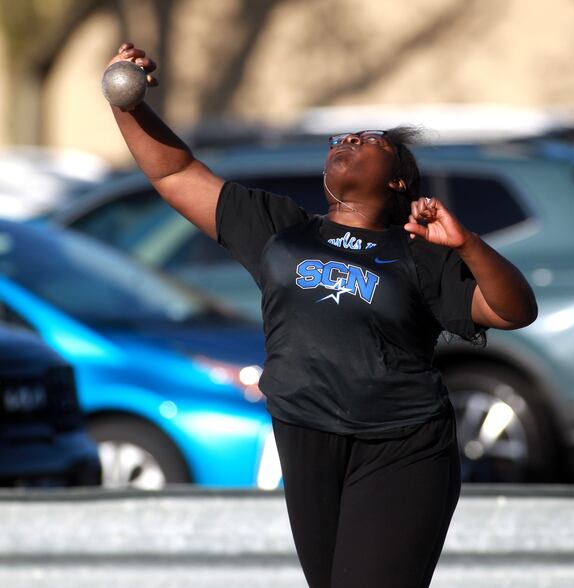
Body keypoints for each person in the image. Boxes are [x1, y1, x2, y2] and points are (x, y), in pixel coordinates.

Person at [106, 42, 537, 588]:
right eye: (342, 138)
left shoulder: (419, 252)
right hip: (306, 435)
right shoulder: (280, 229)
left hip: (400, 445)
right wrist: (128, 104)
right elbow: (175, 174)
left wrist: (468, 245)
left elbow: (512, 310)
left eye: (370, 141)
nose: (349, 141)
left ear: (399, 181)